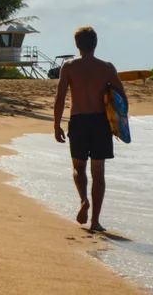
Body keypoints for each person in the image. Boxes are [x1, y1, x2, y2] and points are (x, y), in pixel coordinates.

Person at [53, 26, 127, 232]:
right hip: (100, 123)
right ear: (96, 44)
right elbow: (122, 99)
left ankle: (83, 200)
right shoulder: (106, 67)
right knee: (98, 172)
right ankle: (95, 221)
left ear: (77, 45)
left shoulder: (68, 67)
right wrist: (119, 127)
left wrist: (56, 124)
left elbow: (60, 98)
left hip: (78, 121)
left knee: (78, 167)